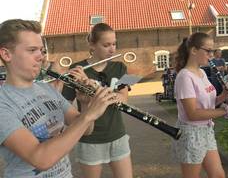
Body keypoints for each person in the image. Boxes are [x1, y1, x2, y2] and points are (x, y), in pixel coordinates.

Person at [0, 19, 117, 178]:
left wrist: (86, 104)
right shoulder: (3, 103)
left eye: (41, 50)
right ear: (6, 54)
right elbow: (40, 158)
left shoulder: (47, 89)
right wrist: (89, 115)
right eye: (32, 50)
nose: (40, 56)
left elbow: (86, 129)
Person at [62, 23, 133, 178]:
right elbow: (65, 106)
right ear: (92, 45)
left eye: (114, 44)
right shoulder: (77, 69)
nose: (112, 49)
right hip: (89, 139)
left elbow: (123, 100)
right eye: (106, 45)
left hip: (117, 135)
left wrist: (93, 87)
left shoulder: (120, 67)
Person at [173, 32, 228, 178]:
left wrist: (223, 97)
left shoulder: (201, 73)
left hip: (206, 131)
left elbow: (208, 103)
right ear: (193, 50)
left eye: (213, 50)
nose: (211, 55)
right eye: (208, 51)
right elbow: (192, 113)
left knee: (218, 175)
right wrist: (227, 110)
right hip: (191, 134)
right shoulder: (185, 77)